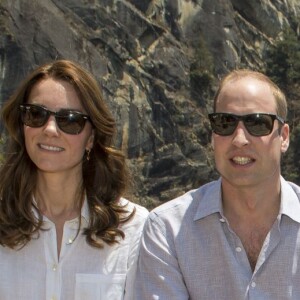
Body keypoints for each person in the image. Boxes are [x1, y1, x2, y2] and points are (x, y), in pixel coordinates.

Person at [134, 69, 300, 299]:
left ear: (283, 136)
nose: (240, 139)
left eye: (257, 123)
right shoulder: (167, 229)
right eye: (225, 123)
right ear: (212, 136)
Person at [0, 59, 148, 300]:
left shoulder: (133, 229)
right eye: (36, 114)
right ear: (22, 125)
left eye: (69, 120)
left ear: (91, 138)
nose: (49, 129)